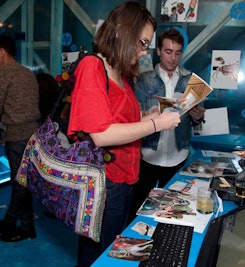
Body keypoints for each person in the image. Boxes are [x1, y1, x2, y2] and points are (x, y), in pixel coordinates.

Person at [67, 2, 181, 266]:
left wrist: (149, 117)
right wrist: (157, 124)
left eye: (146, 45)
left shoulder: (120, 73)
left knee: (116, 252)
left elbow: (121, 122)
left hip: (127, 178)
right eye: (141, 43)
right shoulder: (92, 66)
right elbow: (101, 134)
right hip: (107, 183)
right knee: (98, 256)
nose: (143, 52)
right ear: (120, 31)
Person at [129, 28, 205, 221]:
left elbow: (196, 121)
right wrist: (150, 114)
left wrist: (197, 116)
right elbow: (134, 118)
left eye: (178, 52)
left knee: (171, 212)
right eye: (168, 51)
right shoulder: (144, 80)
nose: (173, 58)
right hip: (148, 154)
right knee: (138, 209)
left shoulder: (191, 80)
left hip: (177, 155)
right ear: (159, 51)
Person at [0, 34, 40, 242]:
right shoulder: (28, 73)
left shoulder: (0, 72)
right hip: (34, 134)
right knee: (23, 183)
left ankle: (13, 224)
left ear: (1, 53)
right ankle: (25, 226)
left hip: (16, 136)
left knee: (19, 184)